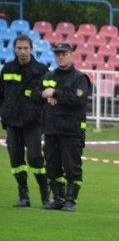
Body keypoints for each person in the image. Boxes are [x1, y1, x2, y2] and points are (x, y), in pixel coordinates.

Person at [40, 42, 91, 212]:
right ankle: (58, 198)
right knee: (52, 166)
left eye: (64, 54)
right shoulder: (49, 75)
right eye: (57, 54)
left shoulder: (80, 78)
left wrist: (55, 93)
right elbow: (36, 92)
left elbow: (77, 99)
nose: (60, 57)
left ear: (72, 55)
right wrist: (44, 94)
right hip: (51, 129)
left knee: (72, 167)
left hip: (71, 130)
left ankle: (71, 199)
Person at [0, 34, 49, 208]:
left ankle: (45, 193)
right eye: (19, 48)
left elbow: (46, 99)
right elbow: (2, 95)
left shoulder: (41, 70)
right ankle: (23, 195)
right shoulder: (7, 69)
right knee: (16, 160)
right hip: (12, 122)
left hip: (32, 122)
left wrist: (42, 119)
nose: (22, 52)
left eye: (25, 48)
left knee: (35, 158)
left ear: (31, 49)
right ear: (14, 49)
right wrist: (3, 114)